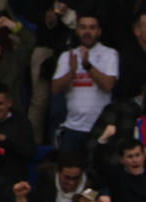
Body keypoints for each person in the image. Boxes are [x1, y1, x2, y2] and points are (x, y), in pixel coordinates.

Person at [50, 14, 119, 154]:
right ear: (77, 31)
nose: (87, 32)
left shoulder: (110, 54)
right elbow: (55, 89)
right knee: (68, 171)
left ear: (99, 31)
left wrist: (87, 66)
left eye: (92, 28)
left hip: (99, 128)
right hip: (72, 127)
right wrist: (71, 72)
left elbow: (108, 85)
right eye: (83, 27)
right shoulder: (67, 56)